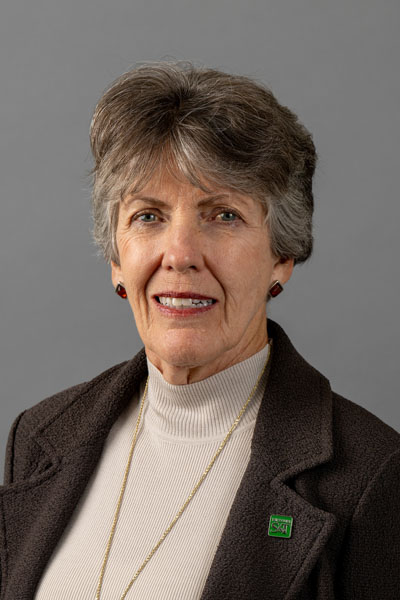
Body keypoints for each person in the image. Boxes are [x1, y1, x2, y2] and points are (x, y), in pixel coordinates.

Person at [1, 62, 399, 600]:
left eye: (224, 215)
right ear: (116, 258)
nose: (181, 255)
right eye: (148, 216)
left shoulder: (372, 475)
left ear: (283, 254)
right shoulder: (41, 435)